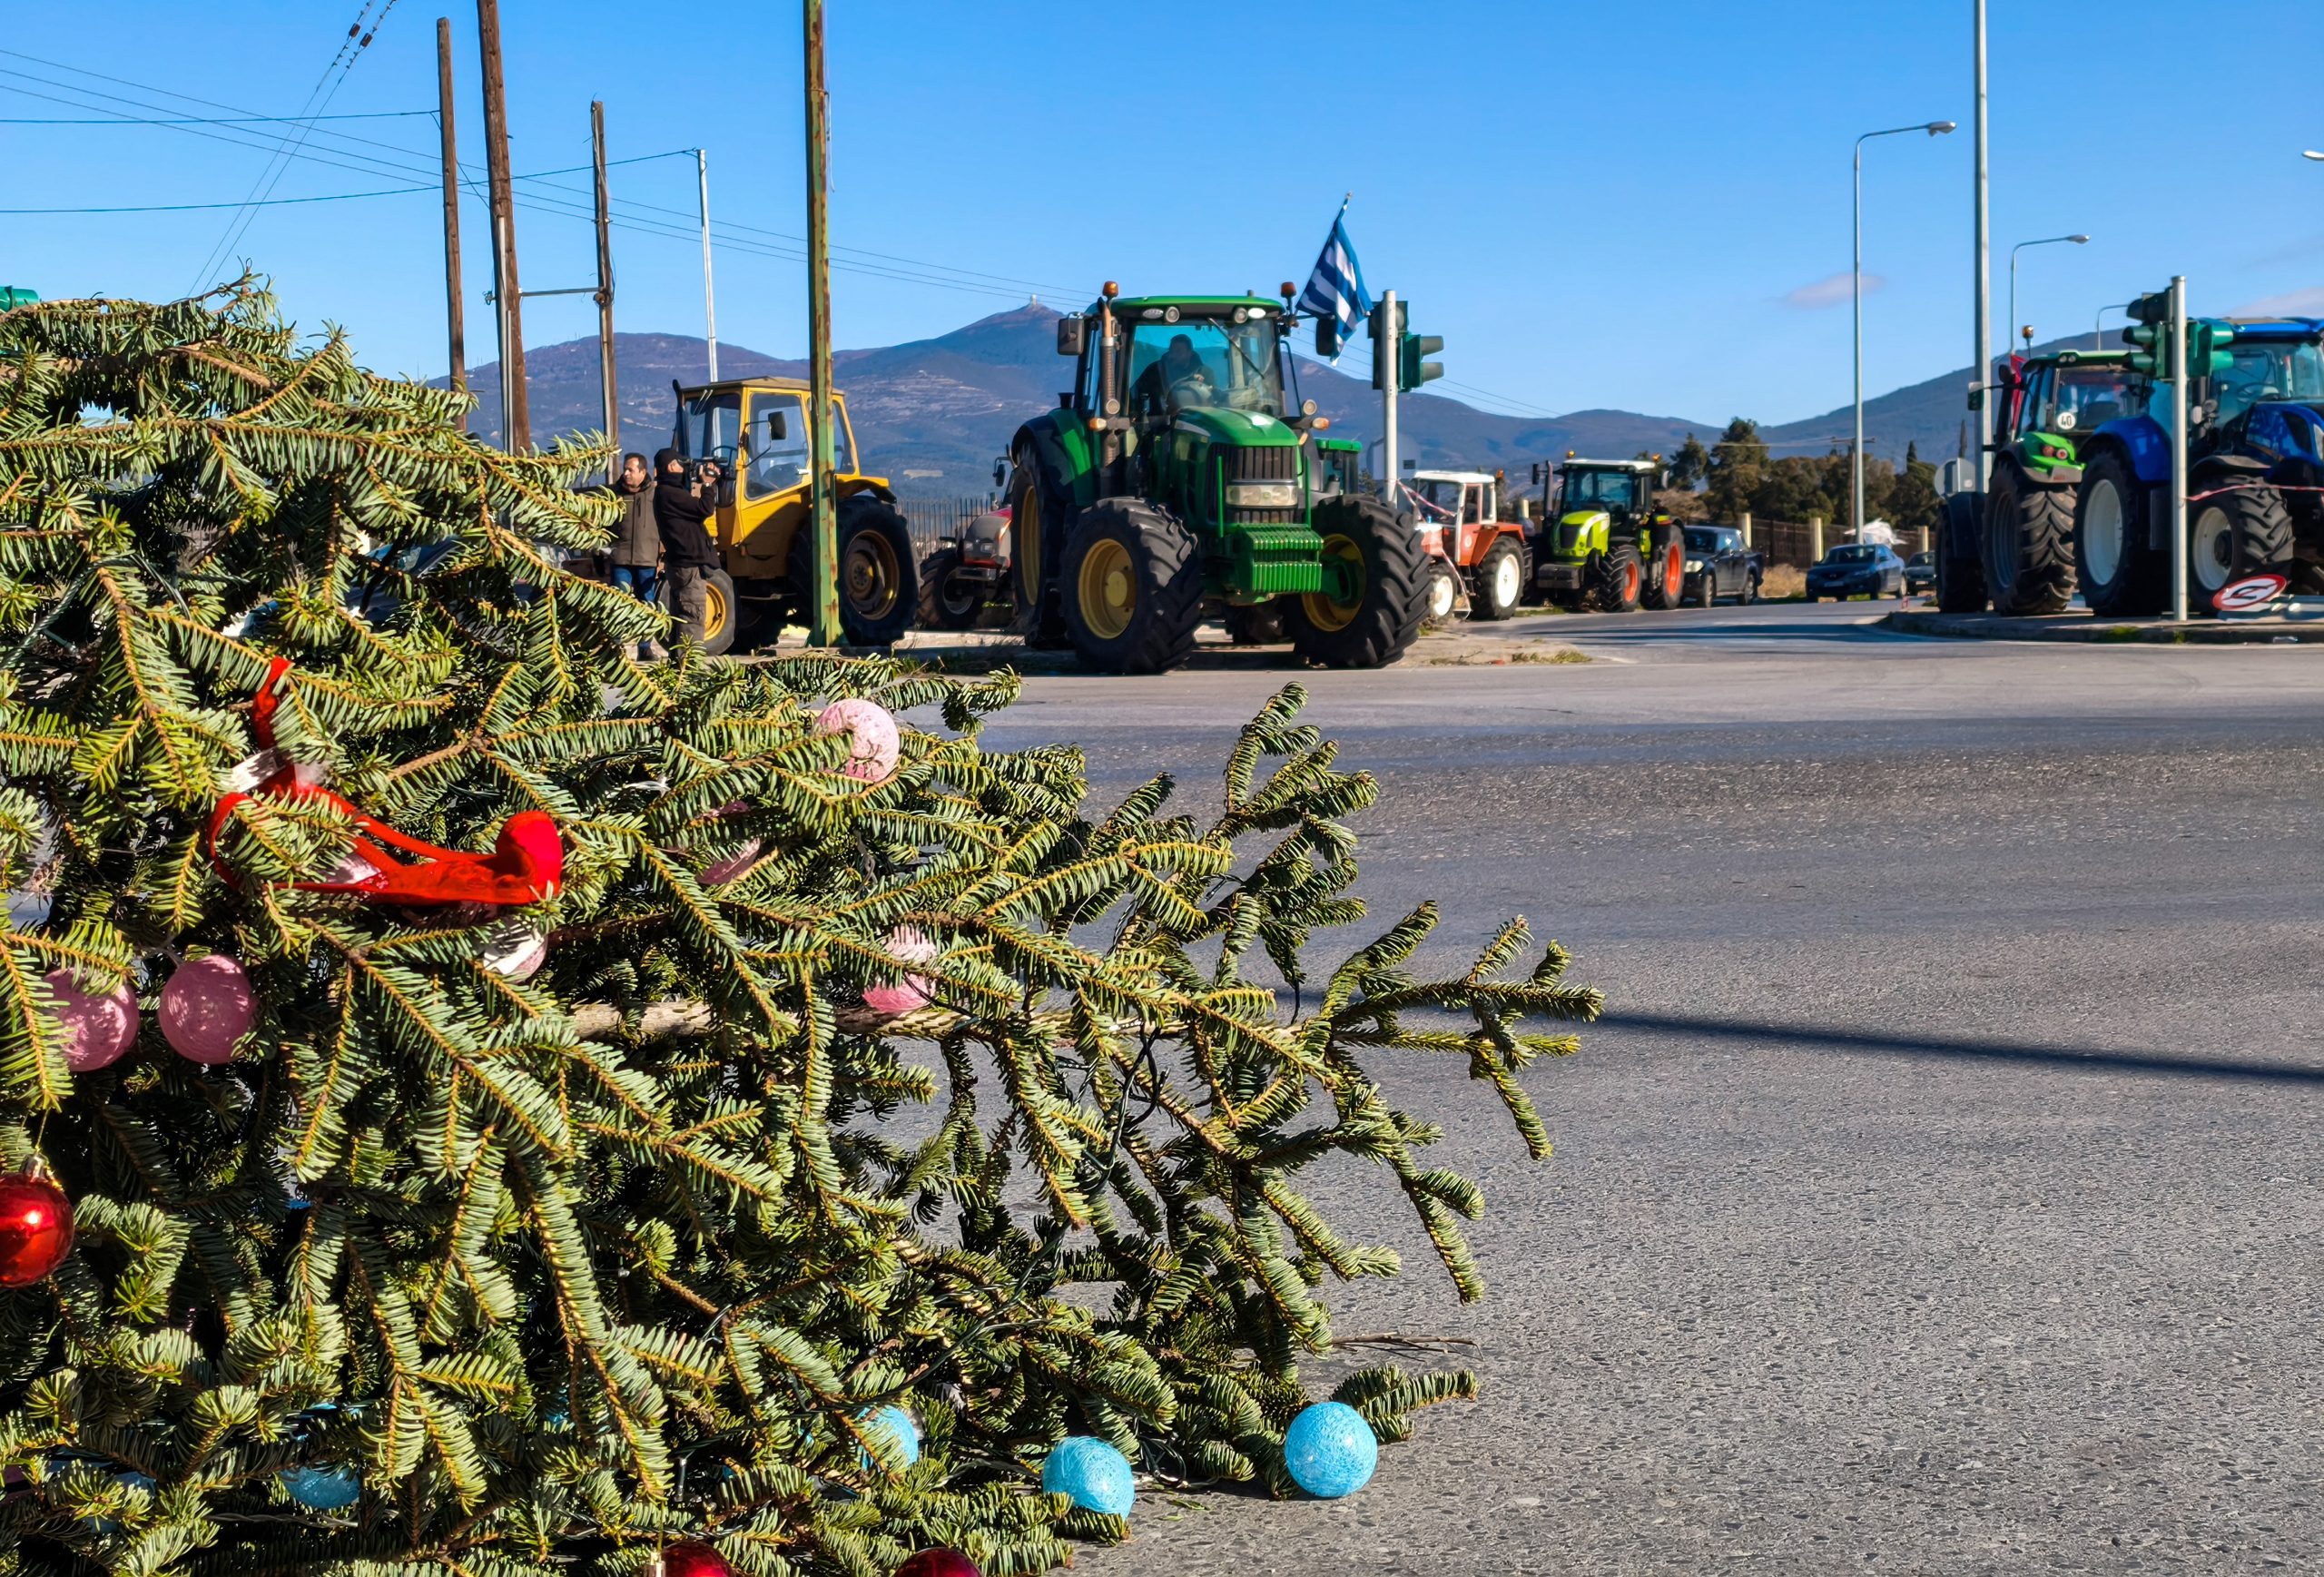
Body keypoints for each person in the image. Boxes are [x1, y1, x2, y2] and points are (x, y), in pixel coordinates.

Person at [653, 448, 721, 648]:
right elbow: (705, 509)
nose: (684, 469)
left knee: (681, 618)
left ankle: (679, 663)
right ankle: (689, 664)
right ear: (671, 467)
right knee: (692, 618)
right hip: (688, 567)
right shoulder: (670, 493)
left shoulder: (666, 492)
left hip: (680, 564)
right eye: (681, 465)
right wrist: (707, 484)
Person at [608, 452, 665, 659]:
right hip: (621, 559)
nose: (626, 474)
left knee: (647, 605)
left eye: (630, 470)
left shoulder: (655, 495)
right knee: (617, 603)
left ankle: (645, 648)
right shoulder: (615, 495)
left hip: (647, 558)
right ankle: (614, 649)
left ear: (642, 472)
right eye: (625, 469)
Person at [1131, 332, 1213, 415]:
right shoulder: (1155, 370)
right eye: (1171, 351)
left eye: (1178, 352)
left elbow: (1213, 398)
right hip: (1160, 420)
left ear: (1189, 353)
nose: (1173, 355)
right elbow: (1134, 394)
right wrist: (1134, 414)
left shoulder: (1204, 372)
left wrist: (1198, 385)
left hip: (1194, 420)